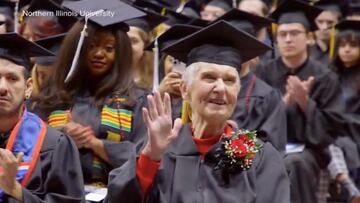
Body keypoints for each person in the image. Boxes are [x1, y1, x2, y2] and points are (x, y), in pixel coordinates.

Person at [105, 20, 290, 203]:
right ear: (185, 89)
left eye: (229, 80)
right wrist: (150, 157)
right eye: (209, 77)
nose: (220, 88)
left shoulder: (260, 156)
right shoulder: (160, 148)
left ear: (237, 92)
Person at [33, 0, 148, 190]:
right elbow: (30, 149)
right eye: (92, 46)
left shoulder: (136, 101)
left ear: (120, 53)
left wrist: (94, 143)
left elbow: (143, 155)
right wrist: (61, 138)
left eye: (109, 49)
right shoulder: (51, 98)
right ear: (76, 50)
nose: (99, 54)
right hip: (58, 195)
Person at [255, 0, 355, 202]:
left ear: (309, 38)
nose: (288, 40)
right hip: (268, 147)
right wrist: (285, 102)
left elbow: (332, 131)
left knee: (294, 163)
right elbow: (253, 119)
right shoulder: (263, 73)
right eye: (283, 34)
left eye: (295, 33)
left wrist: (305, 103)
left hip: (310, 150)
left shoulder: (325, 77)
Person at [0, 32, 84, 202]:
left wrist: (17, 191)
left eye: (12, 78)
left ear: (28, 87)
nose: (2, 87)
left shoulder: (55, 145)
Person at [213, 8, 287, 153]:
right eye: (228, 46)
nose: (233, 52)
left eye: (240, 46)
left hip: (250, 170)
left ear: (251, 49)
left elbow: (272, 148)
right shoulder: (209, 90)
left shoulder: (268, 96)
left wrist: (235, 138)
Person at [126, 9, 167, 90]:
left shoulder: (158, 80)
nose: (127, 46)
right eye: (124, 40)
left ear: (146, 45)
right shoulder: (108, 79)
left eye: (134, 41)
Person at [311, 0, 348, 65]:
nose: (324, 27)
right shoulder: (305, 52)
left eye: (330, 22)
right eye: (320, 22)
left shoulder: (346, 53)